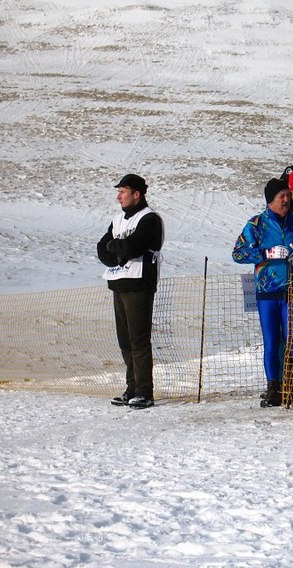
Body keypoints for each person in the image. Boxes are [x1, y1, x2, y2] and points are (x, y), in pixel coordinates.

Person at [232, 178, 293, 407]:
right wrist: (265, 254)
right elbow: (238, 253)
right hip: (267, 292)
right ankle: (274, 386)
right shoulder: (256, 224)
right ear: (270, 200)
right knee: (271, 342)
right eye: (282, 196)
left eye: (288, 195)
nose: (287, 200)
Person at [98, 174, 164, 409]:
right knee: (125, 341)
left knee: (138, 340)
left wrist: (117, 248)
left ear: (137, 194)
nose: (119, 197)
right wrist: (116, 252)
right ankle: (132, 388)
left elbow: (132, 246)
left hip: (139, 284)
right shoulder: (117, 220)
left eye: (123, 192)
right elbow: (102, 247)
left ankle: (145, 392)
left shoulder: (150, 219)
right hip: (119, 283)